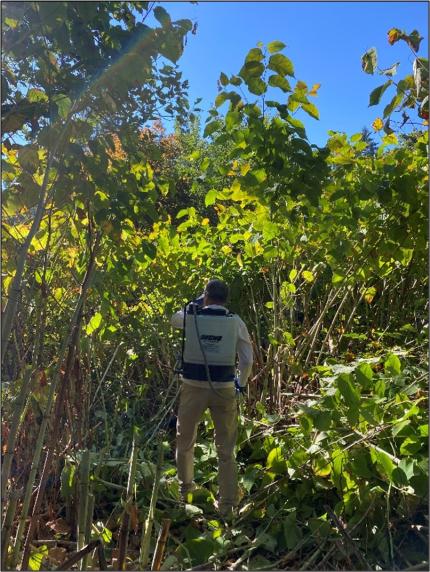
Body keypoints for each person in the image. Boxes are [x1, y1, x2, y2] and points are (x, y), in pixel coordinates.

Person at [170, 278, 253, 518]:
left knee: (185, 440)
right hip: (224, 388)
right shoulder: (235, 322)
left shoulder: (191, 316)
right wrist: (241, 383)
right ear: (226, 299)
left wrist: (196, 302)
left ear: (205, 296)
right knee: (226, 449)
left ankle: (185, 492)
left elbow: (174, 319)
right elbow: (247, 359)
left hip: (193, 387)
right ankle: (227, 505)